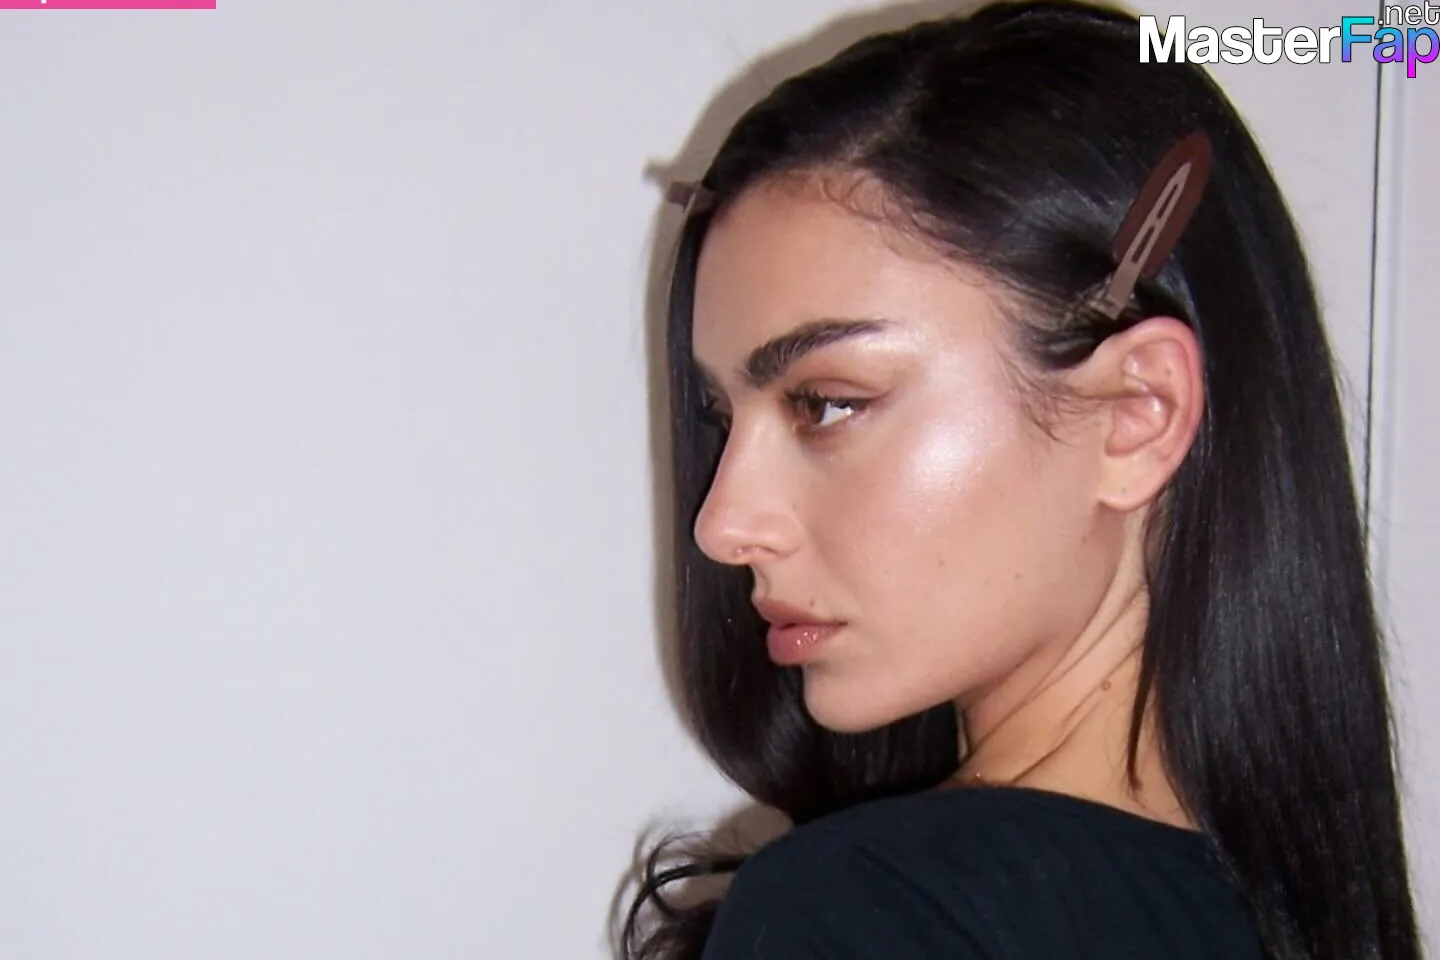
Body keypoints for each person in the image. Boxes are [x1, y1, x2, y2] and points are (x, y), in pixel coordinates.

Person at [621, 2, 1423, 958]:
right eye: (722, 421)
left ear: (1136, 412)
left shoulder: (875, 909)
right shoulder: (1287, 920)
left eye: (827, 403)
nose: (723, 525)